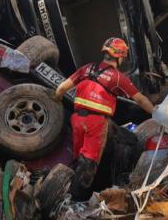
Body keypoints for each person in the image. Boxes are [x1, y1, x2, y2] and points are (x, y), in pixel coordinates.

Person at [54, 37, 154, 199]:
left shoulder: (86, 68)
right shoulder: (118, 78)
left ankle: (65, 192)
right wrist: (155, 112)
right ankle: (74, 201)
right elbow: (140, 99)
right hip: (96, 122)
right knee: (89, 163)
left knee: (78, 159)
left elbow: (61, 89)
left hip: (77, 120)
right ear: (120, 57)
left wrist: (56, 102)